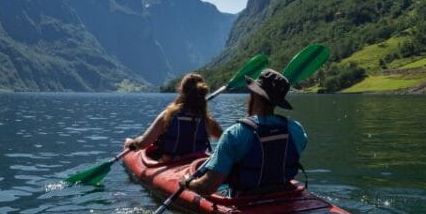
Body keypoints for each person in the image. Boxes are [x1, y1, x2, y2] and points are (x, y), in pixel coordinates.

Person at [180, 68, 307, 197]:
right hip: (283, 194)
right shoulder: (297, 130)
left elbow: (207, 188)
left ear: (255, 94)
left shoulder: (234, 134)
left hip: (244, 199)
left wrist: (187, 183)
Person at [124, 73, 222, 160]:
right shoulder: (207, 120)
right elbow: (225, 139)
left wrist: (131, 143)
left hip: (171, 162)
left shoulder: (168, 115)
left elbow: (143, 143)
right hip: (196, 163)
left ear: (181, 91)